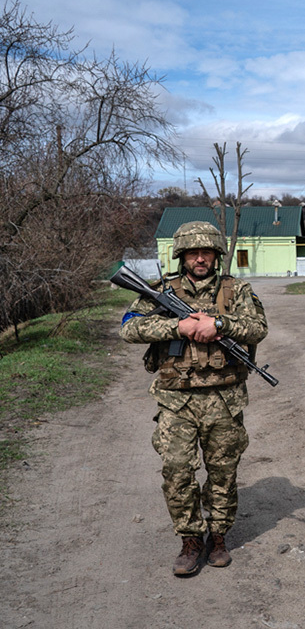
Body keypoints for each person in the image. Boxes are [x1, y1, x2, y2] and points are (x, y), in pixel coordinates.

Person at [119, 221, 268, 576]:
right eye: (193, 253)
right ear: (182, 255)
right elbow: (129, 327)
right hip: (176, 401)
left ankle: (218, 537)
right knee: (176, 471)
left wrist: (219, 325)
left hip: (225, 399)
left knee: (223, 473)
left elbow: (258, 328)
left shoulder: (237, 290)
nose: (200, 259)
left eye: (207, 253)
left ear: (217, 255)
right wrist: (178, 327)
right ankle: (190, 540)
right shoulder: (160, 290)